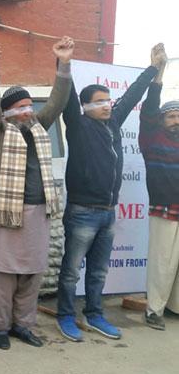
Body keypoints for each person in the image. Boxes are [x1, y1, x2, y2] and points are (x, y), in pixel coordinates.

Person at [56, 43, 166, 342]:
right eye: (100, 101)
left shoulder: (114, 123)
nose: (107, 105)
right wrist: (63, 64)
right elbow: (66, 97)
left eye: (108, 100)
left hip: (108, 212)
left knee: (98, 273)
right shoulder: (78, 125)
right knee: (70, 271)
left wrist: (154, 68)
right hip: (82, 212)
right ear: (86, 106)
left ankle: (94, 314)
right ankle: (65, 315)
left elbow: (132, 95)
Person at [0, 35, 74, 350]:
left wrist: (64, 64)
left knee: (32, 276)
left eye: (30, 105)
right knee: (3, 278)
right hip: (6, 215)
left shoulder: (39, 127)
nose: (28, 110)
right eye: (20, 106)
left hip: (37, 214)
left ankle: (23, 326)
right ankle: (0, 328)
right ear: (7, 113)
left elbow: (57, 101)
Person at [138, 44, 179, 331]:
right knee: (162, 263)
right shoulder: (152, 137)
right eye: (172, 116)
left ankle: (174, 307)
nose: (176, 121)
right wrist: (159, 72)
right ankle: (154, 310)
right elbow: (150, 109)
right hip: (164, 208)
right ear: (162, 121)